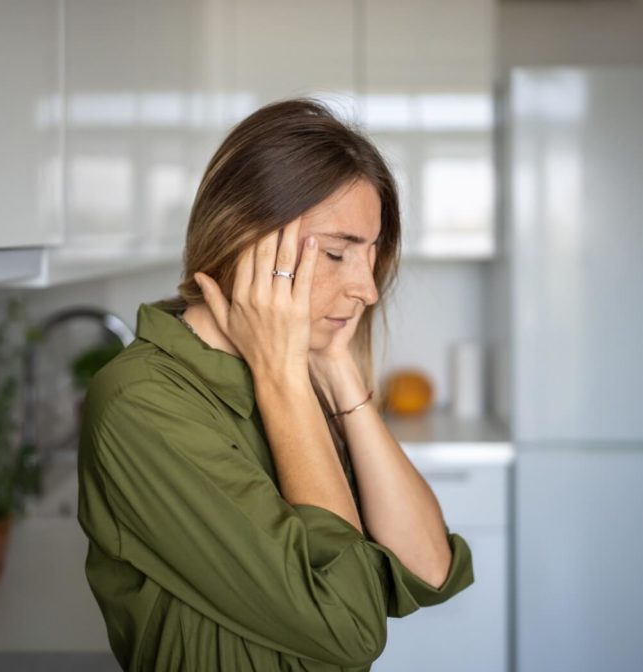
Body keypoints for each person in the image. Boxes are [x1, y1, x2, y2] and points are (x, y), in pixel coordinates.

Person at [76, 98, 474, 672]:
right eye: (338, 253)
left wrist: (336, 370)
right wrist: (283, 375)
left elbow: (428, 567)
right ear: (245, 240)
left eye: (370, 255)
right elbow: (350, 627)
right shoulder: (143, 403)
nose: (366, 288)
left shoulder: (297, 369)